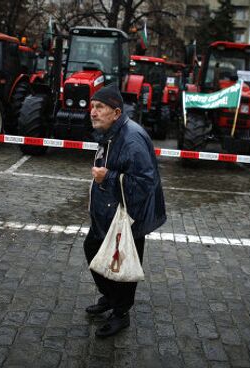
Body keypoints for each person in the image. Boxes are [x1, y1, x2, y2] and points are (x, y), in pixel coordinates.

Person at [84, 83, 166, 338]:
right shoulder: (109, 132)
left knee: (122, 265)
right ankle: (110, 297)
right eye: (92, 107)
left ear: (116, 113)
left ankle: (121, 314)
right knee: (93, 248)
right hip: (108, 212)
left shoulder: (132, 139)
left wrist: (107, 177)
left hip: (129, 216)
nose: (93, 112)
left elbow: (144, 184)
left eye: (100, 107)